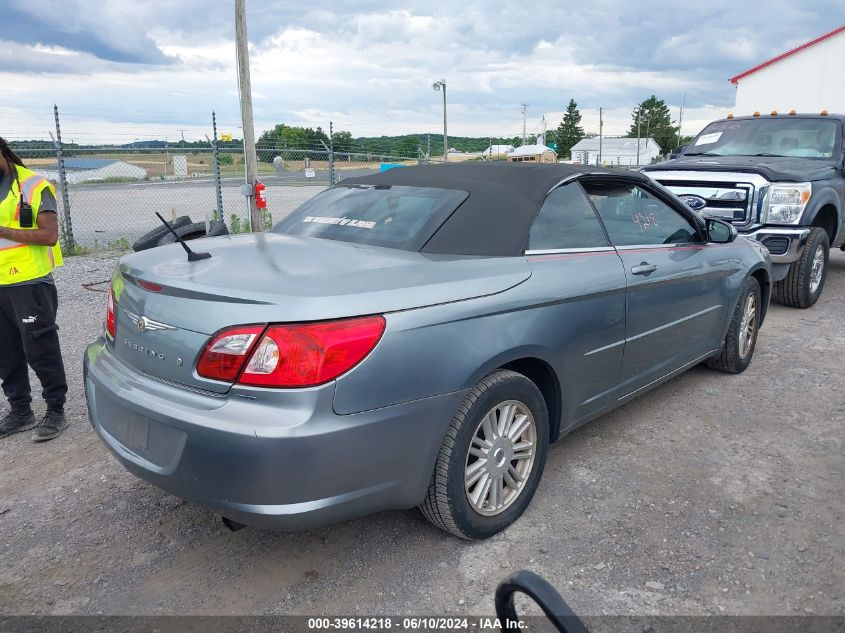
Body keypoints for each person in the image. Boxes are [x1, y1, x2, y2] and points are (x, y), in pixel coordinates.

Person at [0, 137, 68, 441]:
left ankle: (55, 410)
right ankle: (20, 411)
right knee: (6, 353)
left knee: (40, 349)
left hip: (29, 282)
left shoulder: (33, 186)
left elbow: (49, 235)